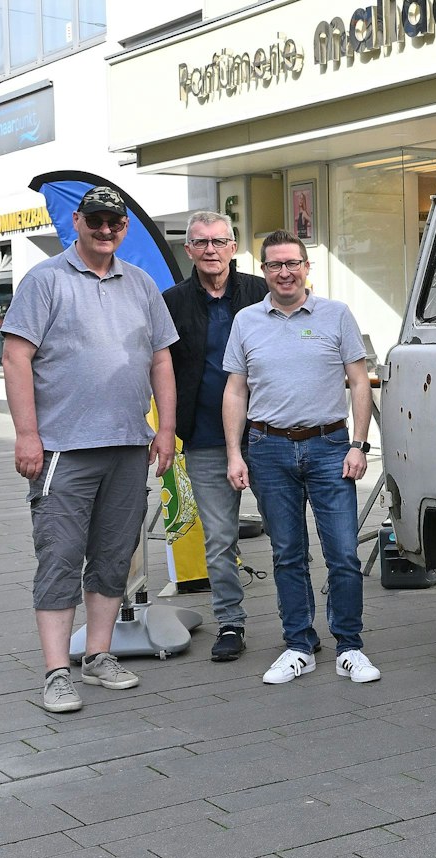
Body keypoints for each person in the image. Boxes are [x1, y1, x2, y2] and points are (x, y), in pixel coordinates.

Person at [1, 185, 179, 714]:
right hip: (62, 448)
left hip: (128, 444)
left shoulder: (141, 283)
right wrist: (27, 434)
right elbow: (16, 359)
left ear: (124, 228)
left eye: (115, 223)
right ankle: (58, 671)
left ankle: (97, 657)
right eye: (97, 220)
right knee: (59, 557)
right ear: (78, 220)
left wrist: (164, 430)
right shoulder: (46, 280)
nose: (106, 230)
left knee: (113, 557)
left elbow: (162, 362)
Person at [221, 231, 380, 686]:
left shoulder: (336, 315)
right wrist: (236, 453)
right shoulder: (247, 321)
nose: (284, 272)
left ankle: (350, 646)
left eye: (292, 263)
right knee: (287, 553)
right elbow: (235, 389)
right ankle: (299, 645)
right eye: (274, 265)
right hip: (268, 450)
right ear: (264, 271)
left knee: (344, 553)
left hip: (330, 447)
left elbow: (359, 381)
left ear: (307, 267)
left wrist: (359, 444)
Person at [163, 210, 269, 662]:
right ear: (189, 250)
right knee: (220, 538)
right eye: (201, 242)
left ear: (233, 246)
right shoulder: (172, 302)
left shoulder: (261, 292)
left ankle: (297, 622)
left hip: (268, 434)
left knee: (286, 536)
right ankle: (230, 622)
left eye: (219, 241)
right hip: (205, 436)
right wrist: (165, 430)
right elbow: (159, 367)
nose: (210, 249)